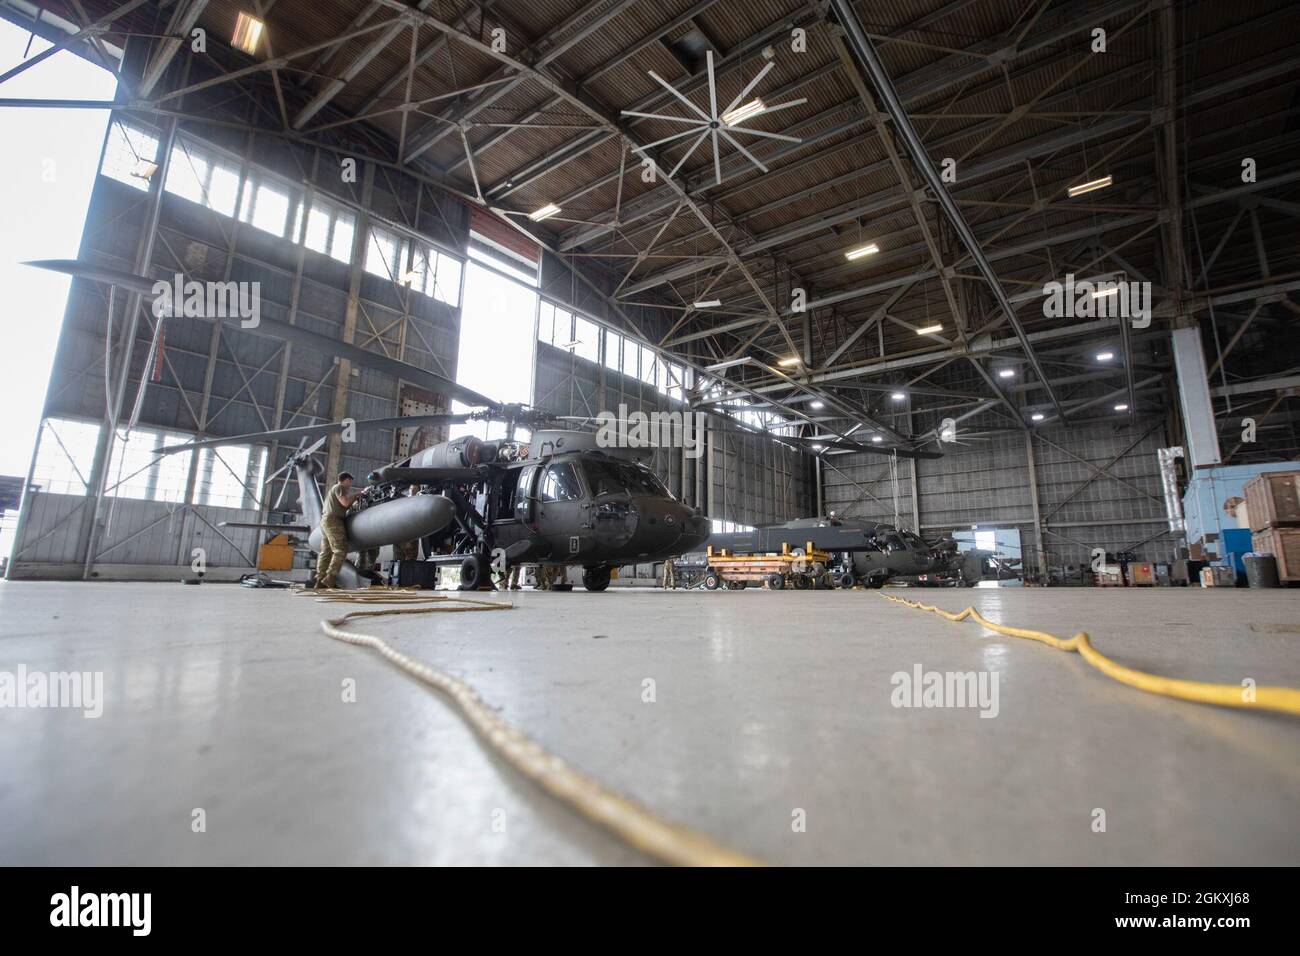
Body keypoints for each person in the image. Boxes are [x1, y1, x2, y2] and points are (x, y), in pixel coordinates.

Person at [314, 471, 362, 589]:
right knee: (340, 550)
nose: (350, 484)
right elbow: (345, 503)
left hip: (325, 521)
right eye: (350, 481)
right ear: (345, 480)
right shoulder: (339, 487)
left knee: (326, 552)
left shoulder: (332, 490)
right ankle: (330, 578)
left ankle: (320, 581)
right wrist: (356, 495)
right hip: (334, 521)